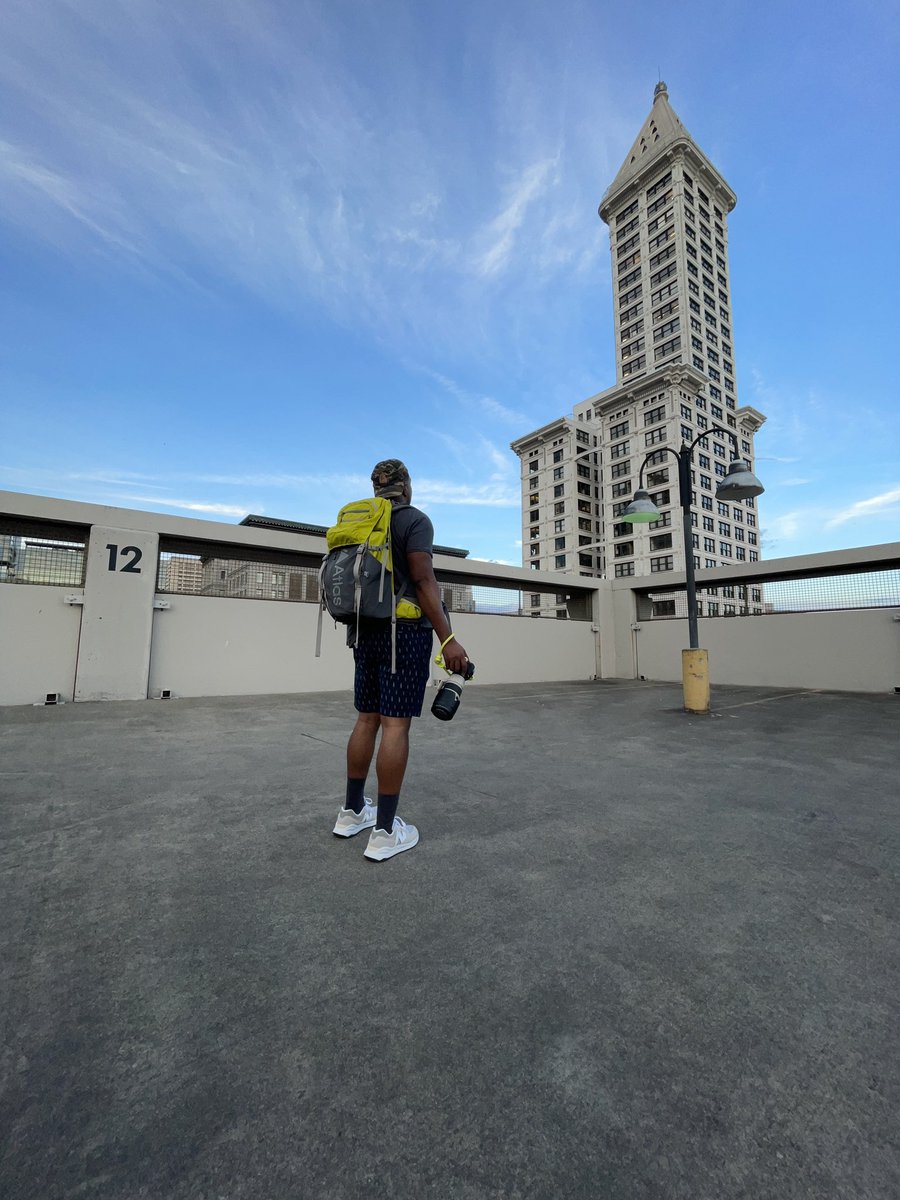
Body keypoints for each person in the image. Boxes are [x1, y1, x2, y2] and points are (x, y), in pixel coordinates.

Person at [332, 459, 469, 861]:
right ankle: (386, 832)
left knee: (366, 719)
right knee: (395, 726)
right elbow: (424, 580)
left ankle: (352, 811)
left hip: (363, 630)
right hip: (404, 633)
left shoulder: (361, 521)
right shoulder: (415, 521)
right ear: (406, 486)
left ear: (375, 488)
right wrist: (449, 640)